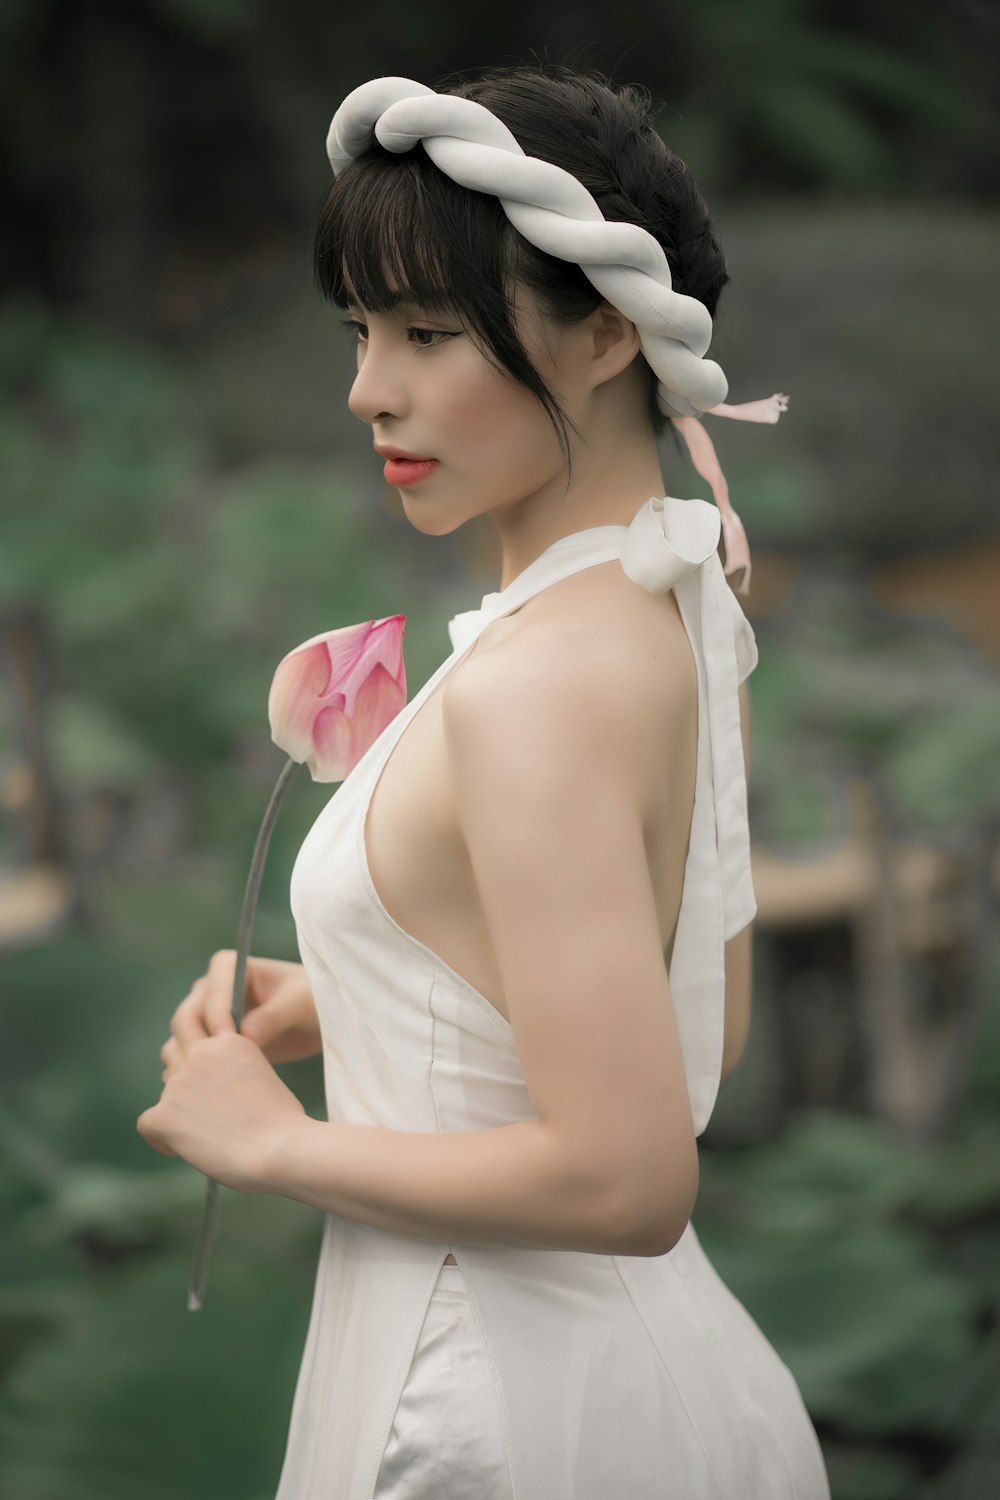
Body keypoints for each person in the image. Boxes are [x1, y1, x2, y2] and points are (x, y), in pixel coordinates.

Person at [146, 61, 831, 1499]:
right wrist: (357, 995)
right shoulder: (666, 603)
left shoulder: (536, 688)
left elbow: (630, 1180)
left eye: (427, 332)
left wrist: (275, 1145)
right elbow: (688, 1020)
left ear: (602, 333)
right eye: (360, 330)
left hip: (501, 1418)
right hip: (635, 1389)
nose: (367, 391)